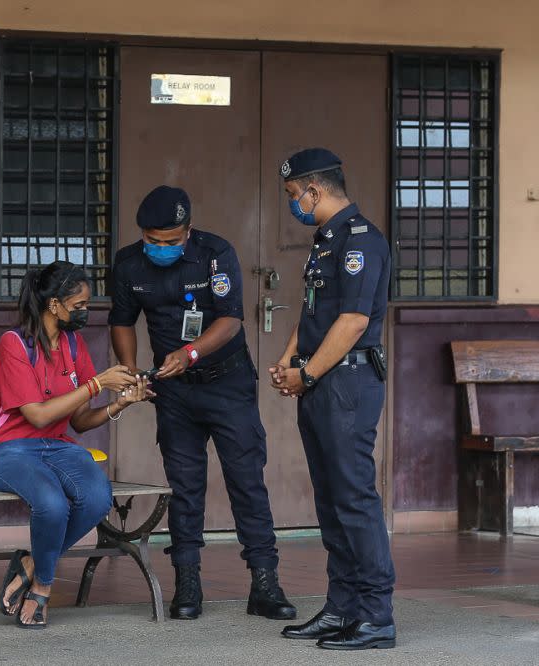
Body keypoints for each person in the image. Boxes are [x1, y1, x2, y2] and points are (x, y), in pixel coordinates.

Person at [108, 185, 296, 621]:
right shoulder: (128, 262)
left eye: (170, 241)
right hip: (174, 392)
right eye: (152, 240)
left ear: (188, 231)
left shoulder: (216, 254)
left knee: (247, 480)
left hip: (226, 383)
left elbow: (231, 318)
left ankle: (265, 583)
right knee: (185, 486)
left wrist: (190, 352)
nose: (160, 248)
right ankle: (187, 584)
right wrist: (132, 368)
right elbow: (121, 320)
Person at [0, 260, 148, 629]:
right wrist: (97, 384)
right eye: (78, 306)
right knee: (51, 503)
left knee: (96, 498)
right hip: (5, 449)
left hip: (55, 446)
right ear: (54, 305)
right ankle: (43, 587)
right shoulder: (14, 344)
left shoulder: (73, 344)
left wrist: (120, 403)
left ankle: (30, 562)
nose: (85, 313)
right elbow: (37, 415)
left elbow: (79, 420)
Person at [268, 148, 396, 650]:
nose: (293, 205)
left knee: (354, 497)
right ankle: (342, 607)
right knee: (330, 498)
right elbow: (316, 313)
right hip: (322, 381)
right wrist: (288, 360)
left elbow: (354, 321)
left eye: (293, 196)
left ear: (315, 191)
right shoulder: (326, 241)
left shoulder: (363, 240)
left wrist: (309, 373)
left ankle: (375, 614)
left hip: (347, 383)